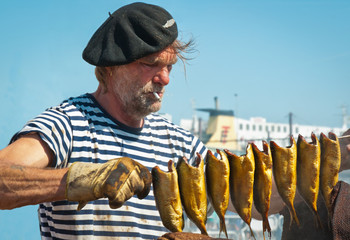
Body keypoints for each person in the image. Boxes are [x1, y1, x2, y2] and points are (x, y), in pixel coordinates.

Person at [0, 3, 207, 239]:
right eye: (151, 64)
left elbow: (248, 203)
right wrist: (84, 180)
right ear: (111, 66)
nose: (165, 79)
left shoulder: (181, 144)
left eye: (169, 66)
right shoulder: (67, 124)